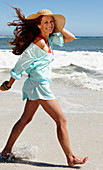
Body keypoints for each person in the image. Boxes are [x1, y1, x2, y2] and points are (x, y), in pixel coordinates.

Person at [0, 6, 88, 167]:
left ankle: (6, 151)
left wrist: (57, 26)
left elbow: (70, 38)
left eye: (51, 22)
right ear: (38, 25)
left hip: (37, 84)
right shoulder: (38, 43)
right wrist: (8, 84)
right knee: (61, 119)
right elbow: (21, 64)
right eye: (45, 22)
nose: (49, 24)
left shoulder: (50, 39)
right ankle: (71, 158)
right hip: (38, 85)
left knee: (25, 119)